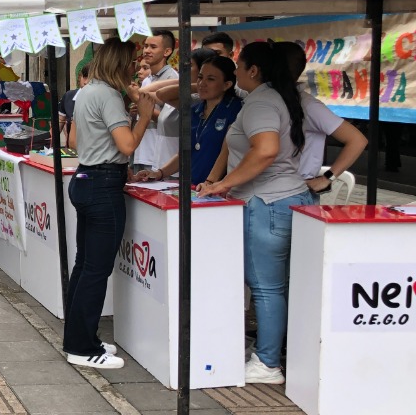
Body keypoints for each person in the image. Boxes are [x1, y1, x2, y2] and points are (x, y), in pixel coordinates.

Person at [200, 42, 314, 385]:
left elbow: (265, 150)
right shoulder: (276, 98)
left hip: (267, 203)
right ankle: (278, 351)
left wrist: (225, 183)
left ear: (253, 70)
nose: (235, 72)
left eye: (239, 66)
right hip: (286, 199)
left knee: (266, 287)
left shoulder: (262, 102)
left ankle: (267, 363)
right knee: (281, 286)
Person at [62, 39, 155, 371]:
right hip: (102, 184)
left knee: (84, 265)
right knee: (95, 270)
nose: (136, 68)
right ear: (121, 64)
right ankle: (82, 347)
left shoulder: (86, 91)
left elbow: (74, 141)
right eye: (133, 62)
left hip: (86, 177)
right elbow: (127, 146)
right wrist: (143, 117)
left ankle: (79, 338)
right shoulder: (110, 96)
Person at [276, 41, 368, 200]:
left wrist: (327, 178)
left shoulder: (308, 105)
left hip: (295, 189)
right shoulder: (273, 101)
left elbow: (357, 140)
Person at [133, 53, 242, 187]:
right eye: (200, 77)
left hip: (219, 187)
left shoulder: (236, 109)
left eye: (211, 79)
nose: (202, 83)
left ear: (227, 84)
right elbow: (185, 153)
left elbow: (226, 152)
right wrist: (160, 173)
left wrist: (210, 182)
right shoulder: (196, 108)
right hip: (194, 185)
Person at [132, 30, 177, 173]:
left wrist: (140, 102)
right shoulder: (147, 80)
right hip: (141, 151)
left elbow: (169, 120)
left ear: (167, 51)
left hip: (159, 156)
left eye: (153, 47)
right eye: (145, 46)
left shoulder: (172, 79)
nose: (147, 50)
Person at [61, 65, 90, 149]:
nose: (86, 81)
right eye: (84, 76)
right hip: (72, 150)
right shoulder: (69, 96)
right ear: (80, 77)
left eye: (91, 77)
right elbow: (59, 121)